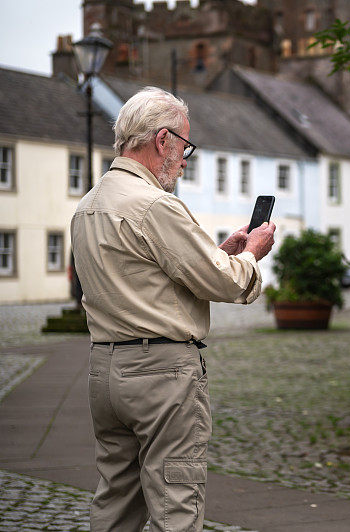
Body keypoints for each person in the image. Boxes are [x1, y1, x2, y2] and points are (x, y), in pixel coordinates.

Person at [71, 87, 275, 531]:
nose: (186, 159)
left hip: (106, 371)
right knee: (175, 504)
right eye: (185, 145)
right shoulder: (155, 204)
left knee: (116, 502)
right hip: (160, 374)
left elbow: (147, 280)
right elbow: (226, 281)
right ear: (162, 140)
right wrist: (251, 255)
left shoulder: (87, 207)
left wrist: (219, 252)